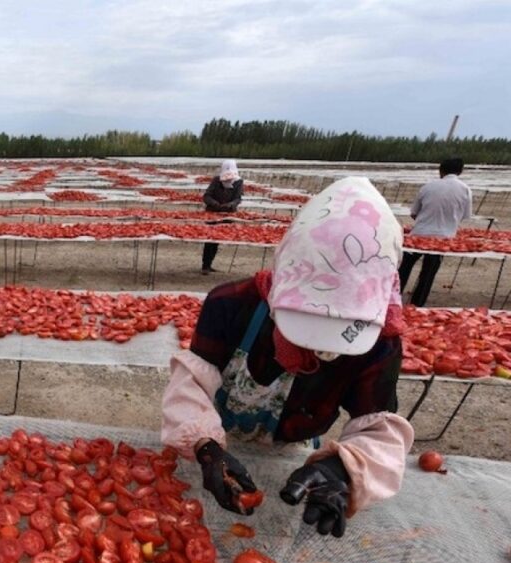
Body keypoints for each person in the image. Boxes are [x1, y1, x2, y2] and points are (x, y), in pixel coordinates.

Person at [161, 177, 414, 538]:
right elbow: (192, 384)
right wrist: (204, 447)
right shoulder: (232, 304)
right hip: (216, 436)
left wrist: (345, 468)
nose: (313, 350)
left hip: (293, 452)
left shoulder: (379, 342)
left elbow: (377, 428)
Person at [397, 158, 472, 307]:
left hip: (418, 235)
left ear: (440, 170)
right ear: (460, 171)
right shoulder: (465, 190)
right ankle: (417, 304)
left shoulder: (428, 187)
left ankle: (392, 298)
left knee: (404, 268)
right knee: (428, 273)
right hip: (443, 239)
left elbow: (414, 213)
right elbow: (465, 216)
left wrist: (426, 220)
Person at [199, 160, 243, 274]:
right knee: (209, 240)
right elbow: (206, 196)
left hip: (226, 214)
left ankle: (209, 265)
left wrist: (231, 204)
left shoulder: (238, 182)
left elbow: (238, 198)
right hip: (212, 213)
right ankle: (205, 265)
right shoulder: (216, 181)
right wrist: (215, 204)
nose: (228, 179)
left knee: (217, 239)